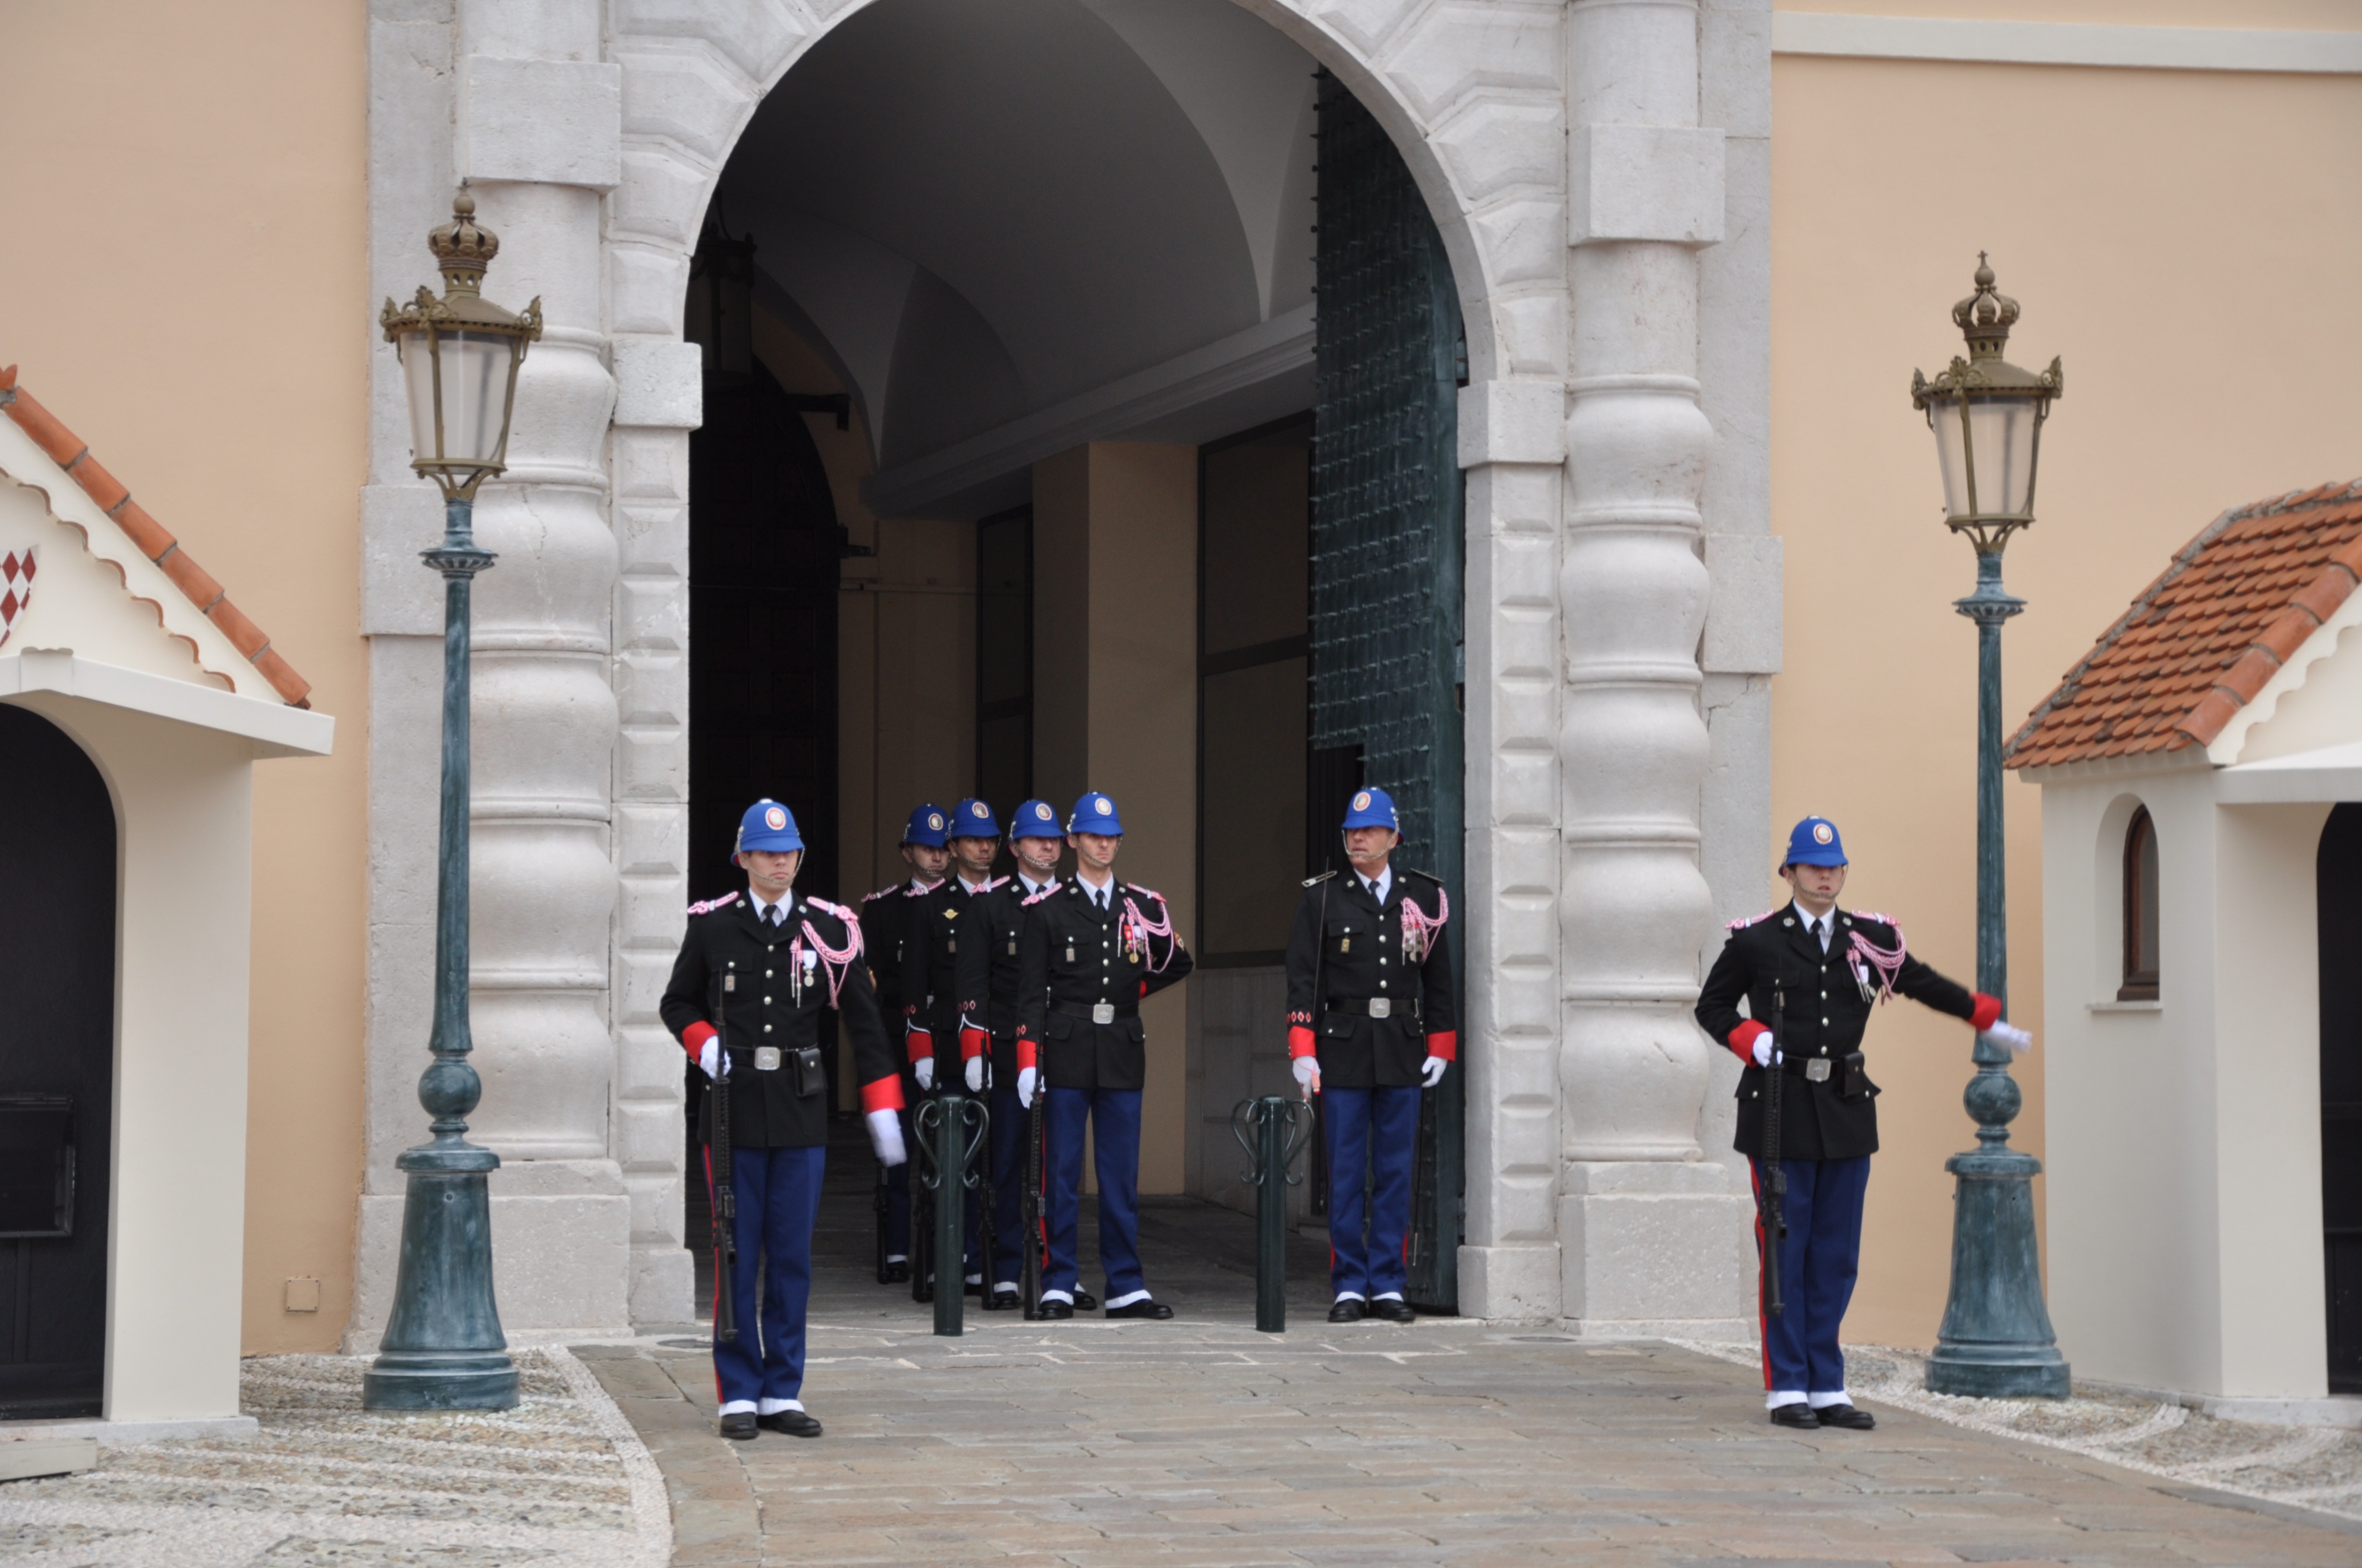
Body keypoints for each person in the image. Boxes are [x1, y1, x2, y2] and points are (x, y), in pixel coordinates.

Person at [1695, 814, 2033, 1431]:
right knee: (1785, 1250)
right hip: (1779, 1109)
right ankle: (1787, 1386)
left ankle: (1827, 1385)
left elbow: (1923, 983)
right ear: (1790, 873)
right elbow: (1710, 1005)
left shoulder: (1869, 939)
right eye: (1812, 866)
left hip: (1846, 1111)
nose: (1825, 876)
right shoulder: (1757, 942)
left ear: (1843, 873)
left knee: (1835, 1255)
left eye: (1834, 867)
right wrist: (1750, 1039)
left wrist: (1985, 1016)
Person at [662, 799, 907, 1441]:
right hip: (732, 1109)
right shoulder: (714, 926)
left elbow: (865, 1022)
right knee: (737, 1253)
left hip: (800, 1112)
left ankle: (781, 1389)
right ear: (743, 857)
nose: (780, 860)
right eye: (768, 851)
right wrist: (701, 1041)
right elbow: (677, 998)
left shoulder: (829, 928)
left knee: (793, 1256)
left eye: (790, 851)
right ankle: (738, 1390)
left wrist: (882, 1102)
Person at [1015, 791, 1193, 1318]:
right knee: (1062, 1174)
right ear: (1072, 841)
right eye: (1094, 835)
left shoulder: (1141, 906)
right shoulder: (1046, 910)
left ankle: (1125, 1284)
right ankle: (1058, 1280)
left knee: (1119, 1176)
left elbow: (1178, 961)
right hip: (1066, 1049)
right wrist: (1028, 1060)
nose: (1104, 844)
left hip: (1119, 1046)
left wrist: (1127, 994)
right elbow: (1029, 992)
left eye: (1111, 836)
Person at [1284, 786, 1456, 1324]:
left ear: (1392, 837)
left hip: (1402, 1046)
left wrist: (1441, 1045)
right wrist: (1302, 1050)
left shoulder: (1423, 897)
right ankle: (1348, 1285)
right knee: (1344, 1172)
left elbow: (1439, 979)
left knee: (1395, 1171)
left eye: (1369, 831)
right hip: (1343, 1047)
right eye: (1351, 832)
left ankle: (1387, 1284)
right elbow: (1302, 982)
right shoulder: (1323, 897)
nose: (1357, 839)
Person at [956, 799, 1071, 1311]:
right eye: (1036, 839)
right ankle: (1003, 1269)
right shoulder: (990, 904)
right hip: (1005, 1050)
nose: (1047, 846)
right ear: (1015, 847)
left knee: (1058, 1167)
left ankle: (1058, 1270)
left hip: (1065, 1048)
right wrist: (974, 1047)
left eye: (1053, 838)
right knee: (1006, 1164)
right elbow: (973, 983)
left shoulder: (1075, 902)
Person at [899, 796, 1002, 1298]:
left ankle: (987, 1257)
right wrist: (919, 1047)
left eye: (991, 841)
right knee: (950, 1160)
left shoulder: (1011, 901)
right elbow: (914, 984)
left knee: (996, 1160)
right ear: (954, 847)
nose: (984, 849)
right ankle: (948, 1254)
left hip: (1002, 1045)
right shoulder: (931, 908)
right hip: (945, 1044)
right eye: (974, 841)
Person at [859, 805, 950, 1282]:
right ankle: (896, 1249)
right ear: (907, 852)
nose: (936, 859)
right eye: (926, 849)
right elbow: (871, 986)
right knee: (896, 1155)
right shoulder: (881, 909)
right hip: (899, 1043)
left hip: (951, 1041)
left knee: (945, 1152)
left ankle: (939, 1253)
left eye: (942, 849)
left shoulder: (968, 904)